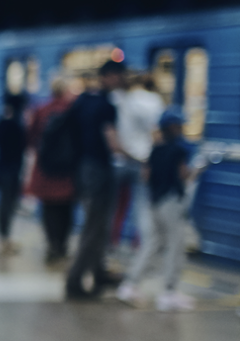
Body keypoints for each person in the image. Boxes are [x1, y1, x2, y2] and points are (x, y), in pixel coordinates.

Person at [116, 110, 196, 311]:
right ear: (173, 126)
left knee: (152, 242)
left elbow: (145, 176)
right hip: (171, 201)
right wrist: (197, 171)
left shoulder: (155, 150)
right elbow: (183, 174)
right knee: (176, 244)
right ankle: (169, 292)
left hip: (153, 201)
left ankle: (130, 284)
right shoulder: (179, 150)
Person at [65, 59, 126, 300]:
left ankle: (99, 271)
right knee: (95, 227)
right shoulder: (106, 106)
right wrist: (139, 157)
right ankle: (75, 281)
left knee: (97, 225)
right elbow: (113, 144)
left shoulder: (83, 100)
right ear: (109, 76)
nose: (121, 80)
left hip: (81, 170)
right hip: (99, 170)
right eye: (119, 75)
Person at [26, 77, 76, 264]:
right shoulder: (72, 110)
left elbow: (31, 138)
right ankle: (62, 246)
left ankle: (52, 245)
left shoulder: (41, 109)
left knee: (49, 208)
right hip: (68, 170)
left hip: (46, 168)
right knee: (66, 208)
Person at [111, 73, 164, 246]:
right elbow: (157, 134)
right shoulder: (153, 101)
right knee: (142, 208)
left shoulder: (115, 98)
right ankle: (139, 245)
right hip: (142, 160)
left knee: (115, 206)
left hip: (117, 159)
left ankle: (112, 243)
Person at [0, 93, 27, 256]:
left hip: (3, 167)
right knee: (7, 204)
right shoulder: (15, 124)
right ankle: (4, 238)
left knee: (5, 204)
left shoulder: (2, 122)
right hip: (11, 169)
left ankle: (4, 237)